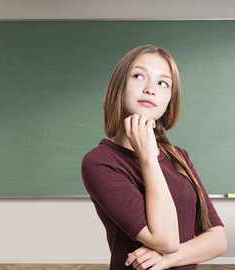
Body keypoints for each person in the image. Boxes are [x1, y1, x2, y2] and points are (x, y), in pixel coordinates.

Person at [81, 45, 227, 270]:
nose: (151, 89)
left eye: (163, 83)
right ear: (119, 87)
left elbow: (218, 240)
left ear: (170, 99)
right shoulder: (100, 162)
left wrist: (170, 259)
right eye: (139, 76)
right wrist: (148, 156)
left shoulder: (179, 157)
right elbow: (166, 240)